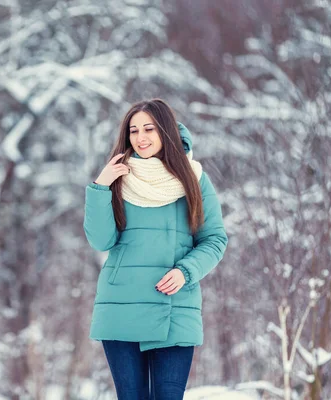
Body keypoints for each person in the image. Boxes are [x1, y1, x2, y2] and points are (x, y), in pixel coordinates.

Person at [83, 98, 228, 400]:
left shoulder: (194, 178)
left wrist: (186, 271)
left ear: (166, 131)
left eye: (149, 128)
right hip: (122, 307)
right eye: (133, 131)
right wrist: (100, 187)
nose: (141, 137)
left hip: (175, 307)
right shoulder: (117, 179)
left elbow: (214, 239)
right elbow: (101, 241)